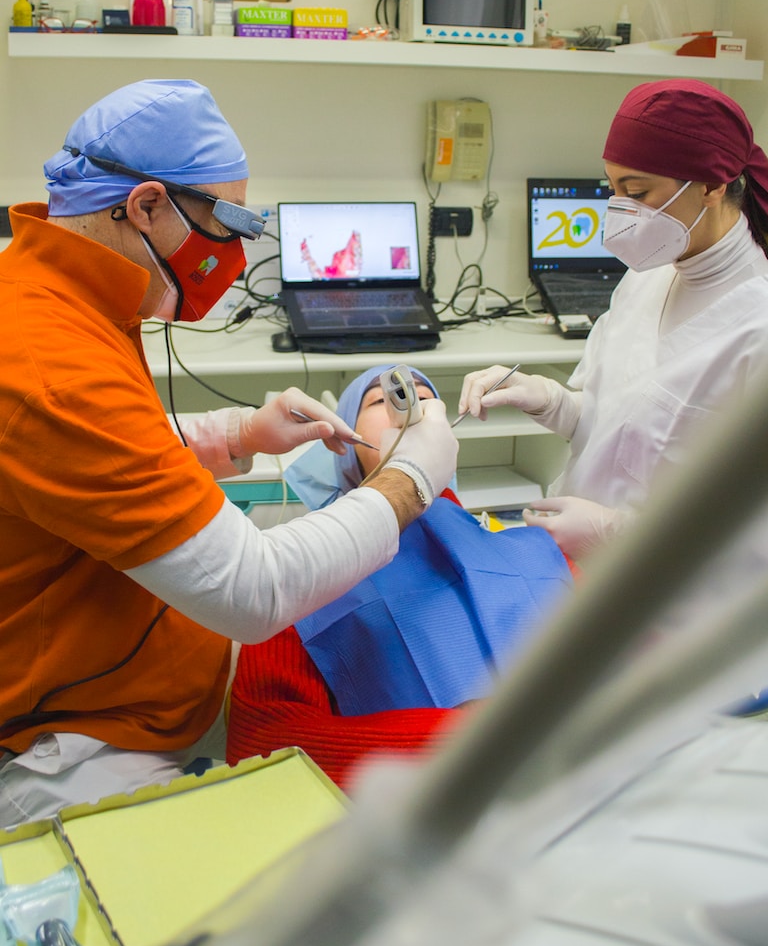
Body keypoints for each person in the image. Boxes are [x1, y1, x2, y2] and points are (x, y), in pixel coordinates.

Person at [0, 80, 458, 827]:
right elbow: (254, 592)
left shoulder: (54, 288)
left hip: (148, 678)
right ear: (145, 205)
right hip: (76, 738)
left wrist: (237, 435)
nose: (236, 259)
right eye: (226, 227)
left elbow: (87, 463)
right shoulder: (51, 362)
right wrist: (409, 480)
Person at [459, 78, 768, 560]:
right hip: (575, 572)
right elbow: (617, 428)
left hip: (670, 604)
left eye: (637, 192)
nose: (621, 212)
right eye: (613, 189)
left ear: (712, 185)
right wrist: (550, 400)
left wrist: (618, 531)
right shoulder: (650, 276)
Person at [226, 365, 574, 789]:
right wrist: (462, 738)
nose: (412, 406)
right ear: (345, 448)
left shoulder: (537, 549)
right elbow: (263, 744)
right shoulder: (302, 581)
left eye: (426, 398)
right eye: (379, 400)